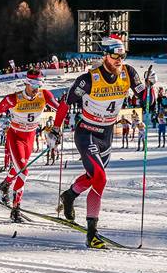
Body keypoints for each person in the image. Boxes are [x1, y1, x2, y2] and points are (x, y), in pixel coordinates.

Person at [53, 37, 151, 248]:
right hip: (86, 131)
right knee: (100, 177)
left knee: (92, 177)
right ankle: (92, 234)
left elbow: (145, 98)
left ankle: (69, 196)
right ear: (105, 55)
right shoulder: (88, 79)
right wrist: (55, 129)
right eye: (115, 55)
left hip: (106, 134)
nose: (119, 60)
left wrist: (149, 86)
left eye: (122, 55)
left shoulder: (129, 73)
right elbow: (65, 103)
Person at [0, 69, 59, 222]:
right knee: (24, 171)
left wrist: (58, 126)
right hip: (16, 136)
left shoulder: (44, 95)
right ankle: (16, 208)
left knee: (18, 168)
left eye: (39, 84)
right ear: (26, 82)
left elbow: (60, 108)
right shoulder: (14, 98)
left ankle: (6, 183)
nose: (36, 88)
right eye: (33, 84)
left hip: (30, 136)